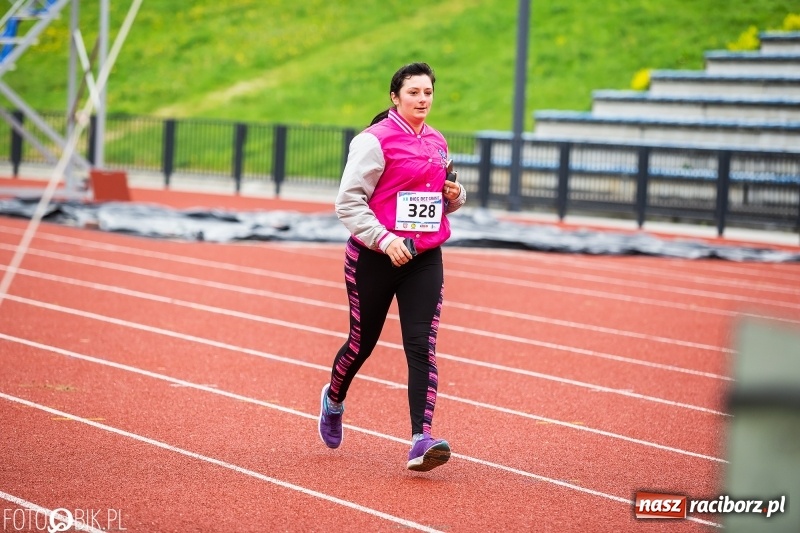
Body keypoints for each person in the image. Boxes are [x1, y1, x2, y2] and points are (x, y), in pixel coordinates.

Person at [318, 62, 466, 472]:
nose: (422, 100)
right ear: (395, 97)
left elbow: (436, 195)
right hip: (374, 256)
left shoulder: (437, 141)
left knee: (421, 344)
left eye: (428, 93)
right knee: (362, 343)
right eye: (414, 92)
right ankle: (333, 400)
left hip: (423, 257)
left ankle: (421, 439)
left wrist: (455, 195)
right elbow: (347, 203)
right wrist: (385, 240)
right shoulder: (373, 142)